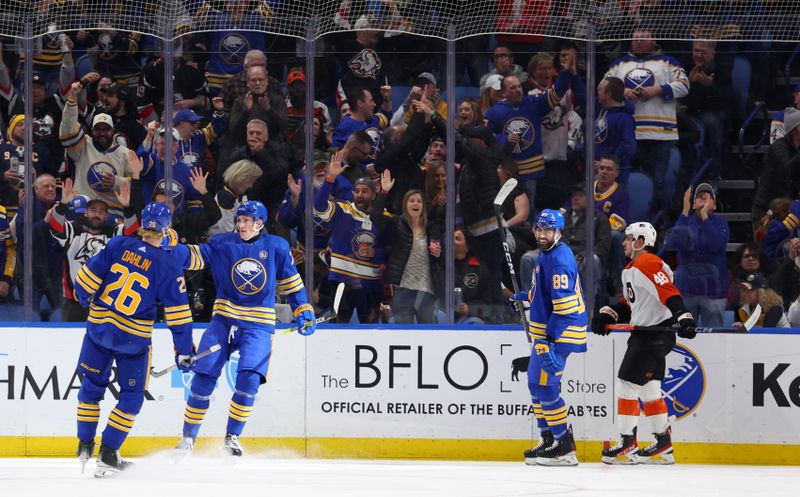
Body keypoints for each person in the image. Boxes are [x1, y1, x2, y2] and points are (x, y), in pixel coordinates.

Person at [174, 200, 316, 457]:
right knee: (204, 376)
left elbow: (293, 283)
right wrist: (170, 248)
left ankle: (232, 437)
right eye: (239, 220)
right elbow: (193, 256)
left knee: (249, 380)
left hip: (258, 323)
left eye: (246, 221)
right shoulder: (222, 243)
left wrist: (302, 308)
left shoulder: (277, 246)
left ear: (259, 223)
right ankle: (187, 438)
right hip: (224, 318)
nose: (241, 225)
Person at [73, 202, 195, 477]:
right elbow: (178, 315)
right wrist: (184, 351)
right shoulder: (168, 264)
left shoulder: (118, 245)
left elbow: (85, 281)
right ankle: (108, 454)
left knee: (91, 388)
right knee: (131, 398)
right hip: (132, 340)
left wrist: (85, 300)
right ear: (166, 229)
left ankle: (84, 443)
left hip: (99, 330)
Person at [591, 221, 697, 465]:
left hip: (653, 336)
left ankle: (627, 442)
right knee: (650, 390)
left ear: (640, 242)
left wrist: (684, 316)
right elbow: (632, 303)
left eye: (628, 238)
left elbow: (668, 291)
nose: (624, 242)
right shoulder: (633, 267)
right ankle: (663, 444)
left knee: (627, 383)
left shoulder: (647, 262)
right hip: (649, 334)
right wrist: (611, 314)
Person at [509, 209, 586, 467]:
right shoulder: (546, 254)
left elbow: (565, 310)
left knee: (546, 386)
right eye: (539, 230)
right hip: (548, 330)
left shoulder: (560, 260)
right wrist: (526, 297)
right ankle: (549, 438)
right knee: (535, 383)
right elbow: (544, 293)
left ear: (559, 232)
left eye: (547, 230)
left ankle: (564, 445)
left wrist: (547, 342)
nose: (542, 235)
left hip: (560, 332)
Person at [48, 178, 139, 321]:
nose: (97, 214)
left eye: (102, 211)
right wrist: (63, 204)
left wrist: (127, 207)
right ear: (85, 213)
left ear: (106, 216)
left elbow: (132, 231)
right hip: (74, 302)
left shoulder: (113, 233)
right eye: (93, 210)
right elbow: (55, 226)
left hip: (105, 301)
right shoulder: (74, 230)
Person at [371, 170, 441, 323]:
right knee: (404, 333)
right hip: (403, 289)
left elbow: (440, 256)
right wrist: (383, 192)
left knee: (430, 335)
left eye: (419, 201)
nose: (415, 204)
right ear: (405, 204)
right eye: (412, 201)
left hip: (427, 290)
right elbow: (375, 217)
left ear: (423, 205)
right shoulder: (396, 224)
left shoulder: (432, 228)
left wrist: (438, 253)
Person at [667, 183, 729, 326]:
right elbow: (674, 242)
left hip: (714, 292)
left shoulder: (721, 223)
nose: (703, 198)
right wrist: (684, 211)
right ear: (693, 204)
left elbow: (716, 245)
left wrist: (704, 217)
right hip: (686, 291)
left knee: (714, 340)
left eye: (708, 197)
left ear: (714, 205)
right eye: (699, 197)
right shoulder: (686, 222)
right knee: (683, 339)